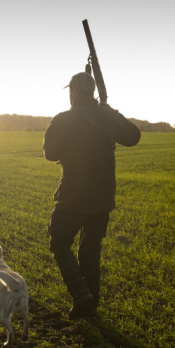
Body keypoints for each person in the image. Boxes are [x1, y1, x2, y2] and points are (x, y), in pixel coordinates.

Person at [43, 72, 141, 319]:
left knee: (59, 242)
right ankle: (90, 303)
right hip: (102, 195)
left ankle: (80, 294)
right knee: (90, 249)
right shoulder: (108, 116)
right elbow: (133, 136)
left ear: (73, 92)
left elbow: (50, 154)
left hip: (72, 194)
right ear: (94, 93)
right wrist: (113, 111)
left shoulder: (63, 119)